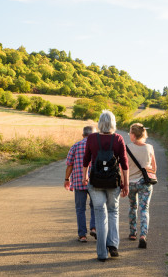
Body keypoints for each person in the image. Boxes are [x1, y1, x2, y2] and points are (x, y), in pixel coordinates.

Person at [82, 110, 129, 262]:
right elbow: (124, 163)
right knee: (113, 212)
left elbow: (86, 159)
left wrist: (85, 176)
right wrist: (125, 183)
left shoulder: (91, 138)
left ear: (100, 123)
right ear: (113, 123)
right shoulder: (118, 138)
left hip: (95, 181)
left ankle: (102, 253)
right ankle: (113, 245)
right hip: (112, 182)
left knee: (100, 215)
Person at [65, 126, 97, 243]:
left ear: (83, 135)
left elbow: (69, 164)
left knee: (80, 209)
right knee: (95, 206)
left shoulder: (75, 146)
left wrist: (66, 179)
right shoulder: (96, 146)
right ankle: (94, 227)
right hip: (94, 182)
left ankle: (82, 235)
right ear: (93, 135)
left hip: (79, 182)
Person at [126, 123, 156, 249]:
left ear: (133, 135)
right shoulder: (149, 147)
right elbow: (154, 168)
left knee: (133, 207)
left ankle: (133, 233)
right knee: (144, 209)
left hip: (131, 183)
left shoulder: (126, 148)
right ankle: (143, 235)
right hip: (145, 183)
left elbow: (123, 167)